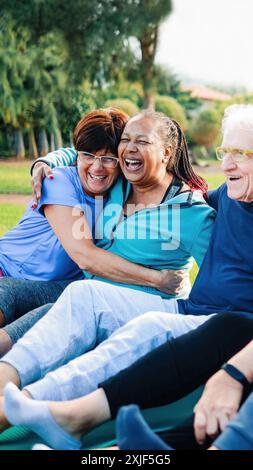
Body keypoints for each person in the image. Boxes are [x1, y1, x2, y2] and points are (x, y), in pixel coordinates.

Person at [0, 103, 251, 449]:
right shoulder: (121, 183)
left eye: (241, 153)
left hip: (202, 318)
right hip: (89, 288)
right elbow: (86, 151)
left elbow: (205, 258)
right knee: (68, 297)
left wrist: (171, 284)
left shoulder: (194, 212)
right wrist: (45, 162)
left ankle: (21, 405)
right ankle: (25, 400)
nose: (227, 164)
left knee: (127, 321)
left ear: (166, 153)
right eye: (226, 152)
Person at [0, 109, 201, 353]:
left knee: (42, 323)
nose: (97, 167)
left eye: (108, 159)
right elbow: (85, 256)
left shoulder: (123, 186)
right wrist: (158, 279)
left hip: (65, 286)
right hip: (7, 270)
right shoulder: (59, 180)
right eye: (88, 156)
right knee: (7, 295)